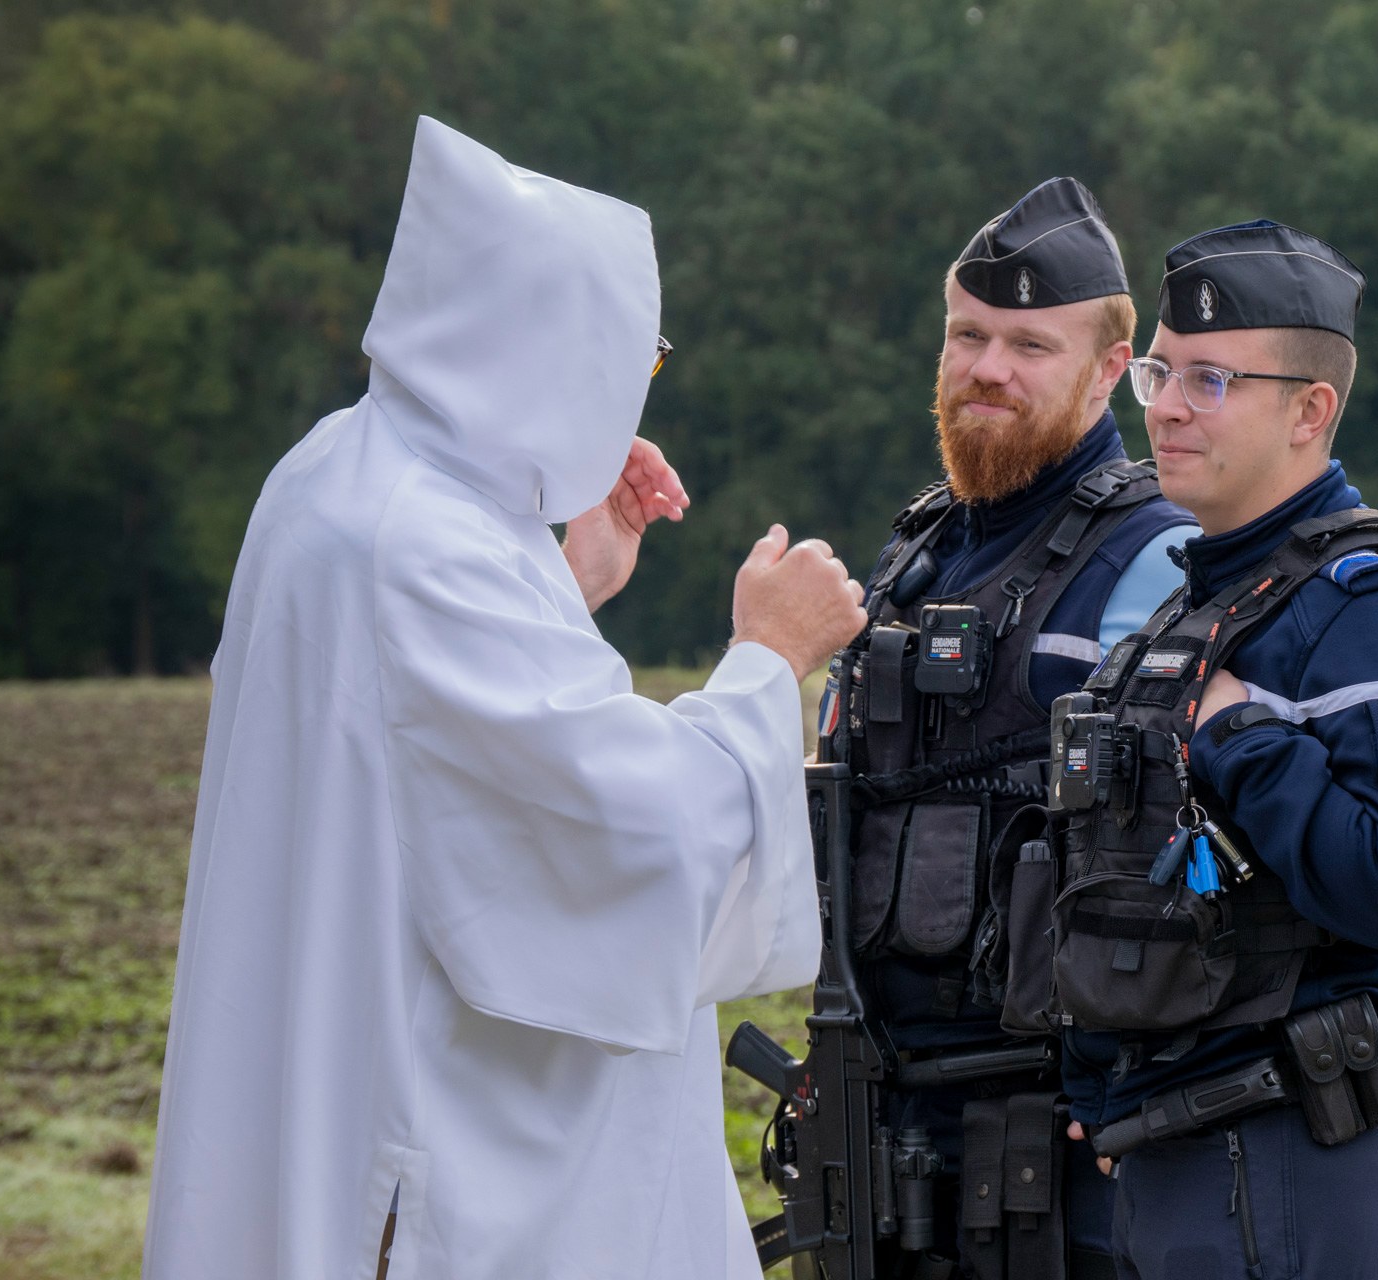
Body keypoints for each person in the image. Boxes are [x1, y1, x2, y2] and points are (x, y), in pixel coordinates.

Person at [140, 116, 866, 1280]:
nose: (637, 388)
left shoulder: (343, 470)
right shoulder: (428, 547)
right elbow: (633, 836)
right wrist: (768, 656)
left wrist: (569, 568)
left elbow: (427, 731)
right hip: (445, 1139)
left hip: (344, 1069)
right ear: (551, 349)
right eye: (639, 359)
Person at [1049, 220, 1378, 1278]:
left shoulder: (1373, 606)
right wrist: (1110, 1078)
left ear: (1310, 410)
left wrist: (1243, 735)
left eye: (1210, 379)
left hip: (1294, 1144)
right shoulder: (1202, 602)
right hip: (1180, 1144)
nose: (1163, 404)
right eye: (1160, 371)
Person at [826, 177, 1197, 1278]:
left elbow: (1186, 863)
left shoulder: (1158, 558)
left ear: (1106, 369)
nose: (987, 367)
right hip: (880, 1121)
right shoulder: (914, 555)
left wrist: (1135, 1080)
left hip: (1050, 1155)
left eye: (1030, 344)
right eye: (967, 335)